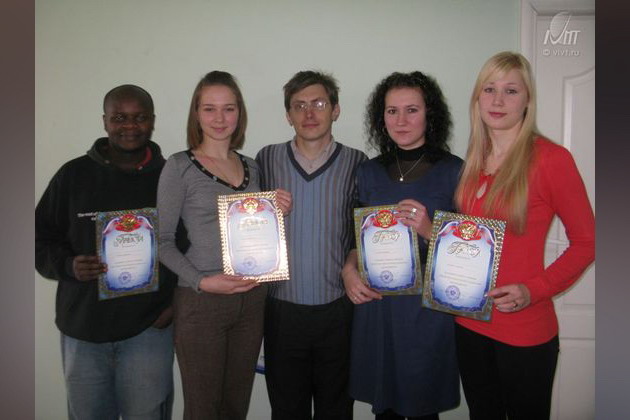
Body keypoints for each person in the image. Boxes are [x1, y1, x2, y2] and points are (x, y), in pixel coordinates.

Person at [453, 51, 595, 420]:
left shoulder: (551, 159)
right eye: (489, 89)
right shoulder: (474, 160)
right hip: (468, 325)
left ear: (527, 100)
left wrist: (534, 290)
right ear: (477, 98)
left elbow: (587, 243)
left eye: (511, 90)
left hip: (524, 331)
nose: (498, 100)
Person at [35, 85, 176, 419]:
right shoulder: (73, 175)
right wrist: (68, 265)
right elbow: (37, 238)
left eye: (140, 117)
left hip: (148, 330)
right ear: (104, 121)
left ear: (152, 120)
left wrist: (176, 306)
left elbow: (190, 246)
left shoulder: (171, 177)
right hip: (84, 330)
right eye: (119, 118)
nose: (130, 126)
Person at [156, 71, 291, 420]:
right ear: (196, 113)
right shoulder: (179, 167)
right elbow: (162, 241)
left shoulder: (252, 167)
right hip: (202, 302)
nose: (219, 118)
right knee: (203, 409)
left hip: (252, 300)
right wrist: (202, 281)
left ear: (239, 113)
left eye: (228, 109)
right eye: (209, 109)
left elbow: (259, 228)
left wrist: (277, 210)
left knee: (235, 406)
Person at [341, 72, 462, 420]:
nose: (401, 120)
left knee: (424, 407)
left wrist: (428, 229)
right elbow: (356, 239)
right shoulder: (368, 171)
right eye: (392, 111)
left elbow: (468, 254)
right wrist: (349, 270)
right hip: (379, 309)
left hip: (427, 312)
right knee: (386, 409)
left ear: (429, 114)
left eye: (412, 110)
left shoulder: (453, 171)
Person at [256, 70, 368, 420]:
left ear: (336, 110)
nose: (309, 113)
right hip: (282, 309)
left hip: (337, 308)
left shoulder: (358, 163)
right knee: (287, 409)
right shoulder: (266, 159)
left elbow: (361, 233)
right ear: (288, 115)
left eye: (318, 104)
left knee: (337, 408)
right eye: (299, 105)